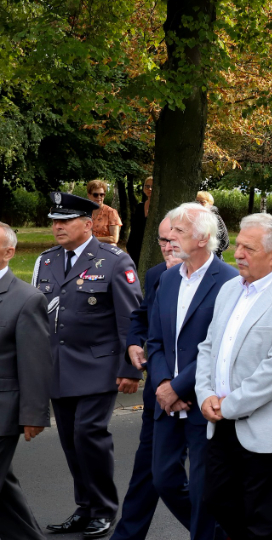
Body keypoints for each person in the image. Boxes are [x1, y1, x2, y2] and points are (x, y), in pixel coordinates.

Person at [195, 213, 272, 540]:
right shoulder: (230, 288)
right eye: (239, 245)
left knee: (259, 519)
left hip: (265, 428)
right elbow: (208, 347)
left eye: (249, 248)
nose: (238, 253)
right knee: (216, 501)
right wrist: (205, 394)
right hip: (220, 420)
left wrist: (229, 405)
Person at [36, 192, 143, 539]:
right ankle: (85, 508)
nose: (57, 227)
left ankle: (103, 508)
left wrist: (130, 369)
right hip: (59, 366)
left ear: (87, 224)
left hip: (100, 366)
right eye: (54, 221)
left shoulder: (113, 260)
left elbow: (131, 320)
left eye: (65, 221)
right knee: (70, 440)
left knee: (89, 435)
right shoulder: (47, 261)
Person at [147, 203, 239, 540]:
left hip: (204, 402)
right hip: (167, 400)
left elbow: (219, 349)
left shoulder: (229, 281)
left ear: (201, 238)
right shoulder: (167, 278)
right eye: (170, 232)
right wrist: (162, 384)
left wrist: (180, 387)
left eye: (179, 232)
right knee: (164, 480)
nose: (170, 239)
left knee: (204, 491)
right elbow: (155, 340)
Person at [112, 218, 186, 540]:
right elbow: (141, 317)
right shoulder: (157, 275)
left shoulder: (220, 279)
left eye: (174, 240)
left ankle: (216, 529)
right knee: (149, 471)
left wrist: (180, 387)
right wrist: (132, 342)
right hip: (158, 393)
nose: (168, 247)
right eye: (162, 241)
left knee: (182, 477)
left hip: (199, 396)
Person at [0, 222, 53, 540]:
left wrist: (33, 415)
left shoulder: (26, 299)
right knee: (4, 491)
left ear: (8, 252)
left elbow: (35, 363)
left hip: (2, 412)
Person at [87, 179, 123, 246]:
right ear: (89, 195)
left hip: (105, 249)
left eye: (102, 195)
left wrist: (91, 239)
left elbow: (114, 239)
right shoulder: (85, 212)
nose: (99, 197)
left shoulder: (111, 212)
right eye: (95, 195)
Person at [125, 176, 153, 265]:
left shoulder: (160, 208)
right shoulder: (140, 206)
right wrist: (129, 247)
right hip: (136, 246)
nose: (150, 189)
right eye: (147, 186)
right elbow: (134, 228)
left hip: (151, 246)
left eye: (153, 186)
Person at [193, 191, 229, 257]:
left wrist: (209, 251)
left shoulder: (215, 217)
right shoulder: (192, 217)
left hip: (212, 257)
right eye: (197, 202)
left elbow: (224, 242)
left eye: (202, 202)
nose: (199, 204)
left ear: (210, 203)